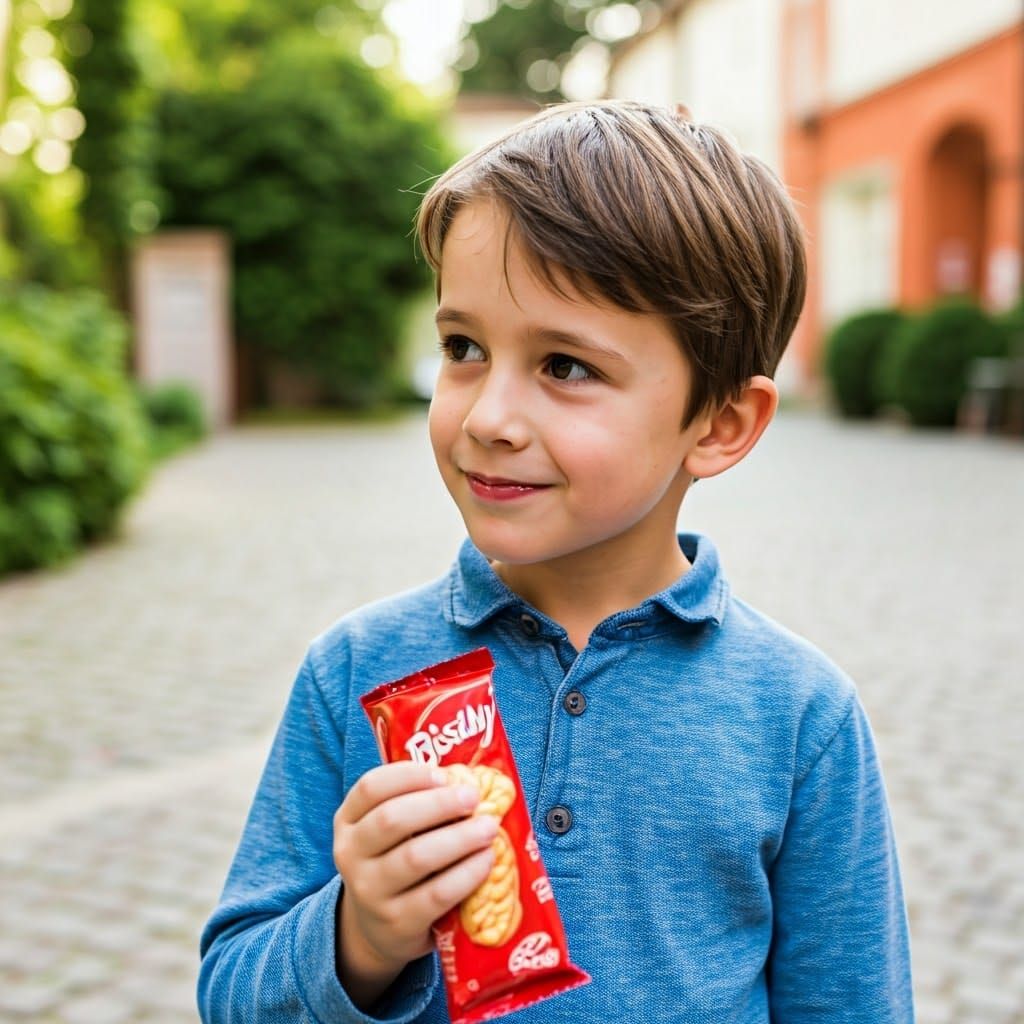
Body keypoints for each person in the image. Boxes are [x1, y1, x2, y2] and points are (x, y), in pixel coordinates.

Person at [198, 100, 913, 1023]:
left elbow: (854, 1003)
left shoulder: (798, 718)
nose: (488, 416)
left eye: (566, 366)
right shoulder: (356, 671)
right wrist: (359, 938)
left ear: (721, 423)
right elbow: (231, 992)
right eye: (463, 348)